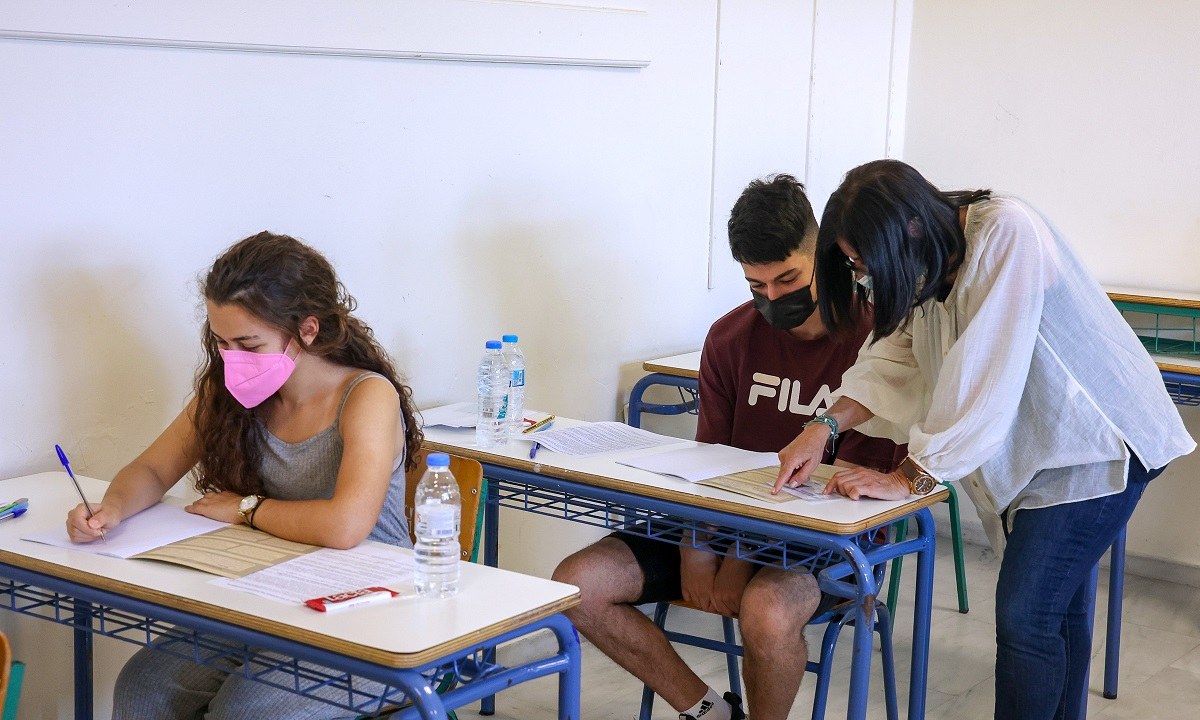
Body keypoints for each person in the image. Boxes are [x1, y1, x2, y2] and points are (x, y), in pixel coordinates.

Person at [774, 159, 1195, 720]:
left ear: (909, 229)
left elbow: (985, 376)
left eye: (863, 263)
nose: (862, 276)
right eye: (853, 264)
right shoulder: (924, 260)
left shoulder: (1005, 232)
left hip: (1102, 441)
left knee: (1026, 615)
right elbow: (891, 358)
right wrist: (822, 427)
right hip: (1046, 451)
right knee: (1053, 613)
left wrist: (909, 478)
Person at [553, 175, 902, 720]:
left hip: (828, 537)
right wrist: (697, 543)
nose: (774, 298)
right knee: (577, 584)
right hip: (724, 516)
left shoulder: (880, 340)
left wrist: (738, 557)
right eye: (756, 285)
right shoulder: (730, 337)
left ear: (825, 257)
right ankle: (710, 713)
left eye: (788, 278)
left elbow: (861, 487)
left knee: (766, 611)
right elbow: (708, 458)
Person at [66, 231, 423, 719]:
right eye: (221, 342)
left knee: (246, 712)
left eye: (248, 343)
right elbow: (152, 467)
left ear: (307, 330)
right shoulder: (229, 393)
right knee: (142, 688)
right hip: (274, 595)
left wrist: (246, 509)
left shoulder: (366, 396)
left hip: (372, 608)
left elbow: (345, 526)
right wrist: (112, 508)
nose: (232, 358)